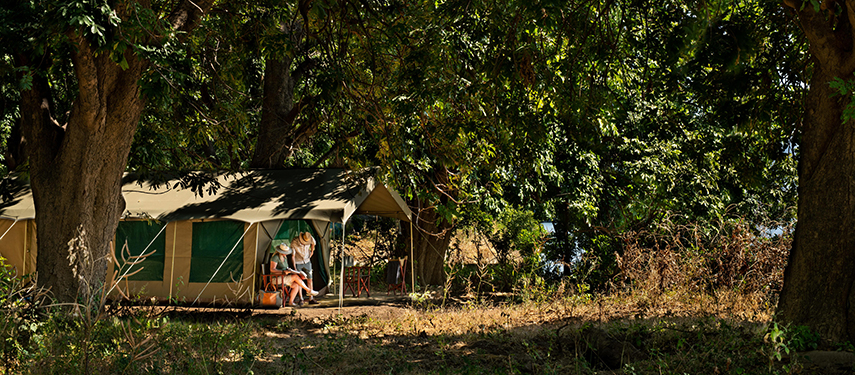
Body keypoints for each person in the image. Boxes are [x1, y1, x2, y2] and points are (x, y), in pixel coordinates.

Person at [290, 231, 318, 304]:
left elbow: (313, 243)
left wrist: (312, 251)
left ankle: (311, 298)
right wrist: (294, 268)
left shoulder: (310, 238)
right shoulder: (294, 242)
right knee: (299, 280)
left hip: (307, 261)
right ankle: (301, 298)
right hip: (298, 262)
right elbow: (293, 256)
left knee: (310, 279)